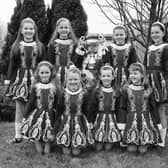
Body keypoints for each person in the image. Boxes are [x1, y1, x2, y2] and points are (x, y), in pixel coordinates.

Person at [4, 17, 46, 143]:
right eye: (26, 28)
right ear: (21, 31)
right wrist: (7, 80)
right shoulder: (16, 46)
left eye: (31, 28)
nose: (28, 31)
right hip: (20, 79)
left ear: (35, 31)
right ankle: (18, 136)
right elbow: (12, 64)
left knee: (34, 107)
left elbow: (43, 64)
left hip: (35, 79)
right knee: (20, 108)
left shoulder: (40, 46)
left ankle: (31, 133)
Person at [118, 62, 161, 154]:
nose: (132, 76)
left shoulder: (148, 90)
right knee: (131, 150)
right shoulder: (126, 89)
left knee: (142, 150)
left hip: (145, 120)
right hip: (131, 121)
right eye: (131, 73)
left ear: (142, 75)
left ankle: (145, 141)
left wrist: (157, 123)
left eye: (135, 73)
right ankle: (133, 141)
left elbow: (153, 107)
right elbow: (122, 107)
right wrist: (121, 124)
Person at [54, 65, 94, 156]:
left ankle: (77, 145)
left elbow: (87, 109)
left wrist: (89, 122)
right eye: (70, 79)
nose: (73, 82)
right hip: (65, 120)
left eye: (75, 79)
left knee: (76, 152)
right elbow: (59, 109)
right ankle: (66, 144)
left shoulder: (84, 93)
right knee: (66, 152)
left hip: (79, 120)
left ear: (80, 80)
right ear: (66, 80)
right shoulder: (63, 93)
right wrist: (56, 122)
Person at [21, 61, 58, 154]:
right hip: (38, 113)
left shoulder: (54, 87)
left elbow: (58, 103)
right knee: (37, 130)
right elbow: (30, 102)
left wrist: (58, 115)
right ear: (38, 74)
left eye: (47, 73)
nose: (44, 75)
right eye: (42, 73)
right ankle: (37, 143)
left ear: (51, 73)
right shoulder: (35, 87)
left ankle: (48, 144)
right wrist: (25, 116)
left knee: (49, 131)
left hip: (50, 114)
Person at [144, 21, 168, 147]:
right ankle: (151, 135)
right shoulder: (149, 48)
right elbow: (145, 65)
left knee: (161, 110)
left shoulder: (166, 47)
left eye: (157, 32)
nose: (154, 34)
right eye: (152, 32)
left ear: (163, 33)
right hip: (148, 81)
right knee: (149, 109)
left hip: (161, 82)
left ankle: (162, 140)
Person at [88, 64, 121, 151]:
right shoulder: (96, 91)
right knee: (98, 147)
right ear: (100, 77)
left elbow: (118, 107)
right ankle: (99, 140)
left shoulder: (116, 91)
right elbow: (92, 107)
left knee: (108, 148)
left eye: (108, 76)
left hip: (112, 117)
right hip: (100, 117)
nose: (106, 78)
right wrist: (91, 120)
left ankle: (109, 140)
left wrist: (119, 120)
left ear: (113, 77)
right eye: (104, 76)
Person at [47, 17, 85, 89]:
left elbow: (78, 60)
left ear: (69, 29)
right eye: (61, 27)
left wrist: (81, 49)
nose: (63, 29)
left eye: (66, 27)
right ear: (57, 30)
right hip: (56, 72)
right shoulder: (52, 44)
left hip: (71, 73)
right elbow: (50, 61)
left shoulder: (74, 44)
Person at [102, 24, 138, 91]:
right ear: (114, 36)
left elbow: (133, 64)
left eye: (121, 34)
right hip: (112, 76)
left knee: (125, 93)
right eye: (117, 35)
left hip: (127, 75)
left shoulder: (131, 48)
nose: (119, 37)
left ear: (125, 35)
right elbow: (106, 63)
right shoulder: (109, 48)